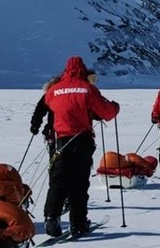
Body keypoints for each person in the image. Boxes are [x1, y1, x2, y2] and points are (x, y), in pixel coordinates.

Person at [41, 56, 120, 238]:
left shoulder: (55, 90)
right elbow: (106, 112)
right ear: (83, 71)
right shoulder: (87, 89)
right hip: (81, 141)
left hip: (60, 141)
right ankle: (78, 223)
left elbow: (48, 102)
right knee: (79, 183)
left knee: (59, 181)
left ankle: (51, 216)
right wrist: (115, 107)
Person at [29, 74, 62, 157]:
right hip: (73, 131)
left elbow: (39, 110)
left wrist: (35, 124)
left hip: (54, 129)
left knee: (55, 157)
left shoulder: (50, 94)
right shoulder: (73, 94)